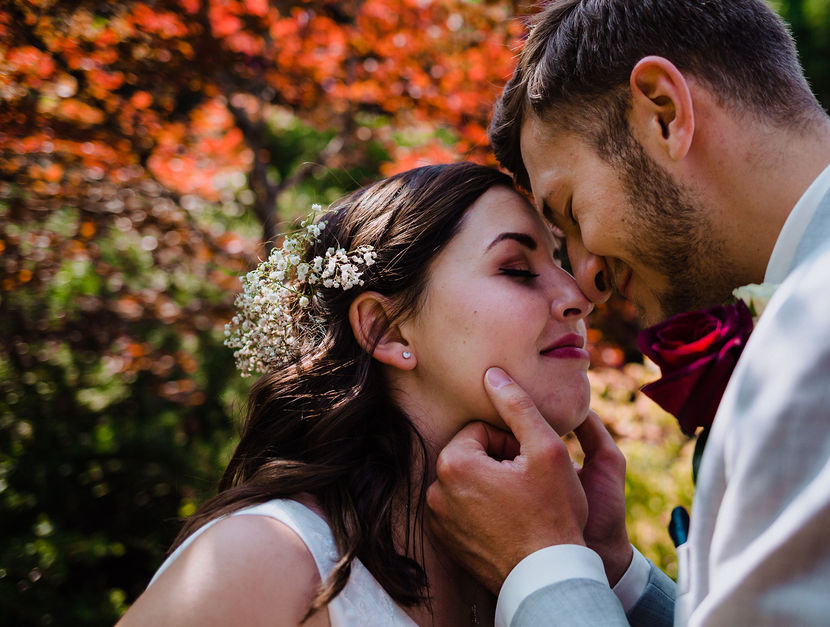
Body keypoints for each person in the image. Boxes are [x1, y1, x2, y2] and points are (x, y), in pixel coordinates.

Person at [426, 0, 830, 626]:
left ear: (663, 113)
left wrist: (540, 563)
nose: (586, 277)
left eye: (570, 212)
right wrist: (614, 572)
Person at [115, 162, 596, 626]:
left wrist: (603, 560)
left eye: (559, 262)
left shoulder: (546, 561)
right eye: (517, 268)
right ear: (386, 330)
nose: (578, 297)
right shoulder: (261, 557)